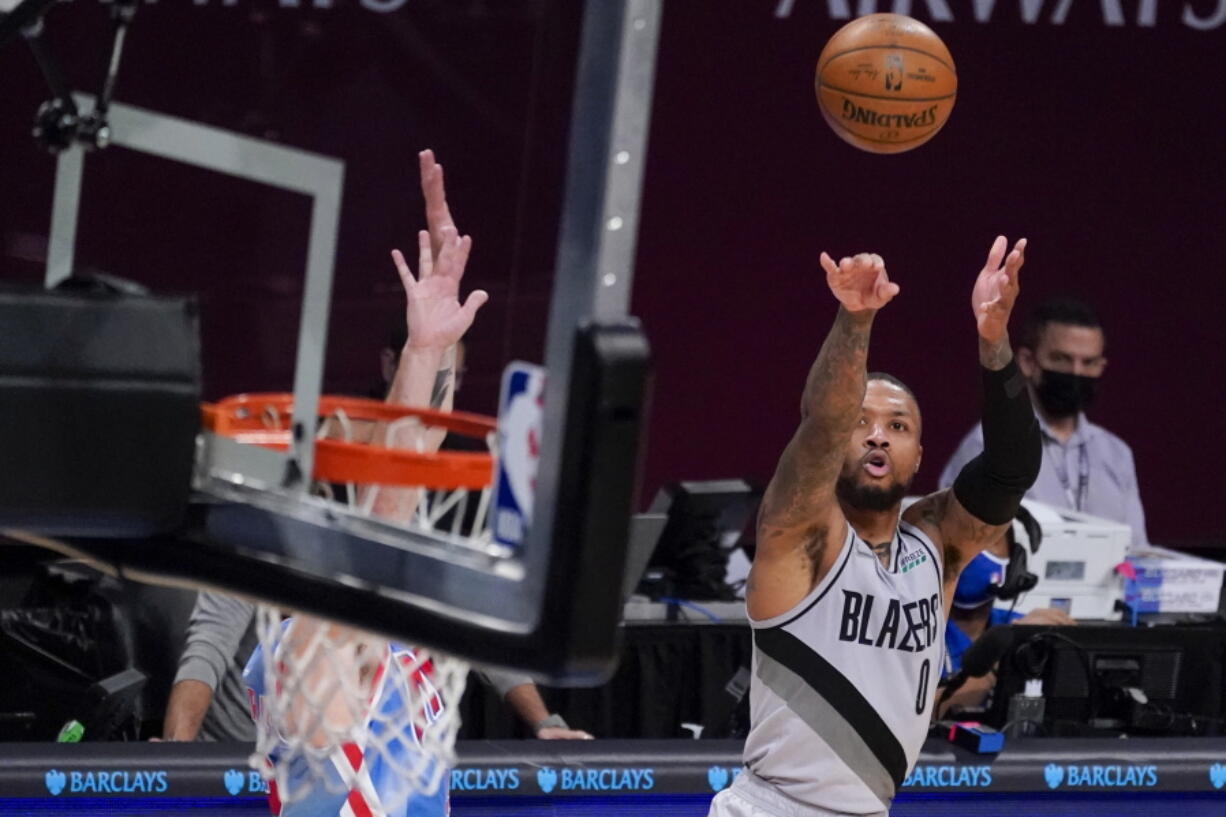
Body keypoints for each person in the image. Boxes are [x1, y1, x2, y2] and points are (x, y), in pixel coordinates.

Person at [163, 151, 589, 747]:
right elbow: (207, 653)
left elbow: (407, 467)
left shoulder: (393, 551)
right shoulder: (300, 621)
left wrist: (427, 349)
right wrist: (177, 761)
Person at [709, 236, 1041, 817]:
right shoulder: (802, 536)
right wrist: (855, 319)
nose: (878, 434)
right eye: (863, 422)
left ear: (918, 456)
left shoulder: (935, 539)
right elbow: (821, 424)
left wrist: (995, 343)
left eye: (898, 425)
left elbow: (1012, 469)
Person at [939, 296, 1147, 546]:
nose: (1076, 373)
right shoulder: (989, 442)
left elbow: (1137, 552)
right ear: (1027, 362)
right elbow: (949, 541)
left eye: (1089, 363)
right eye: (1062, 359)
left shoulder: (1117, 454)